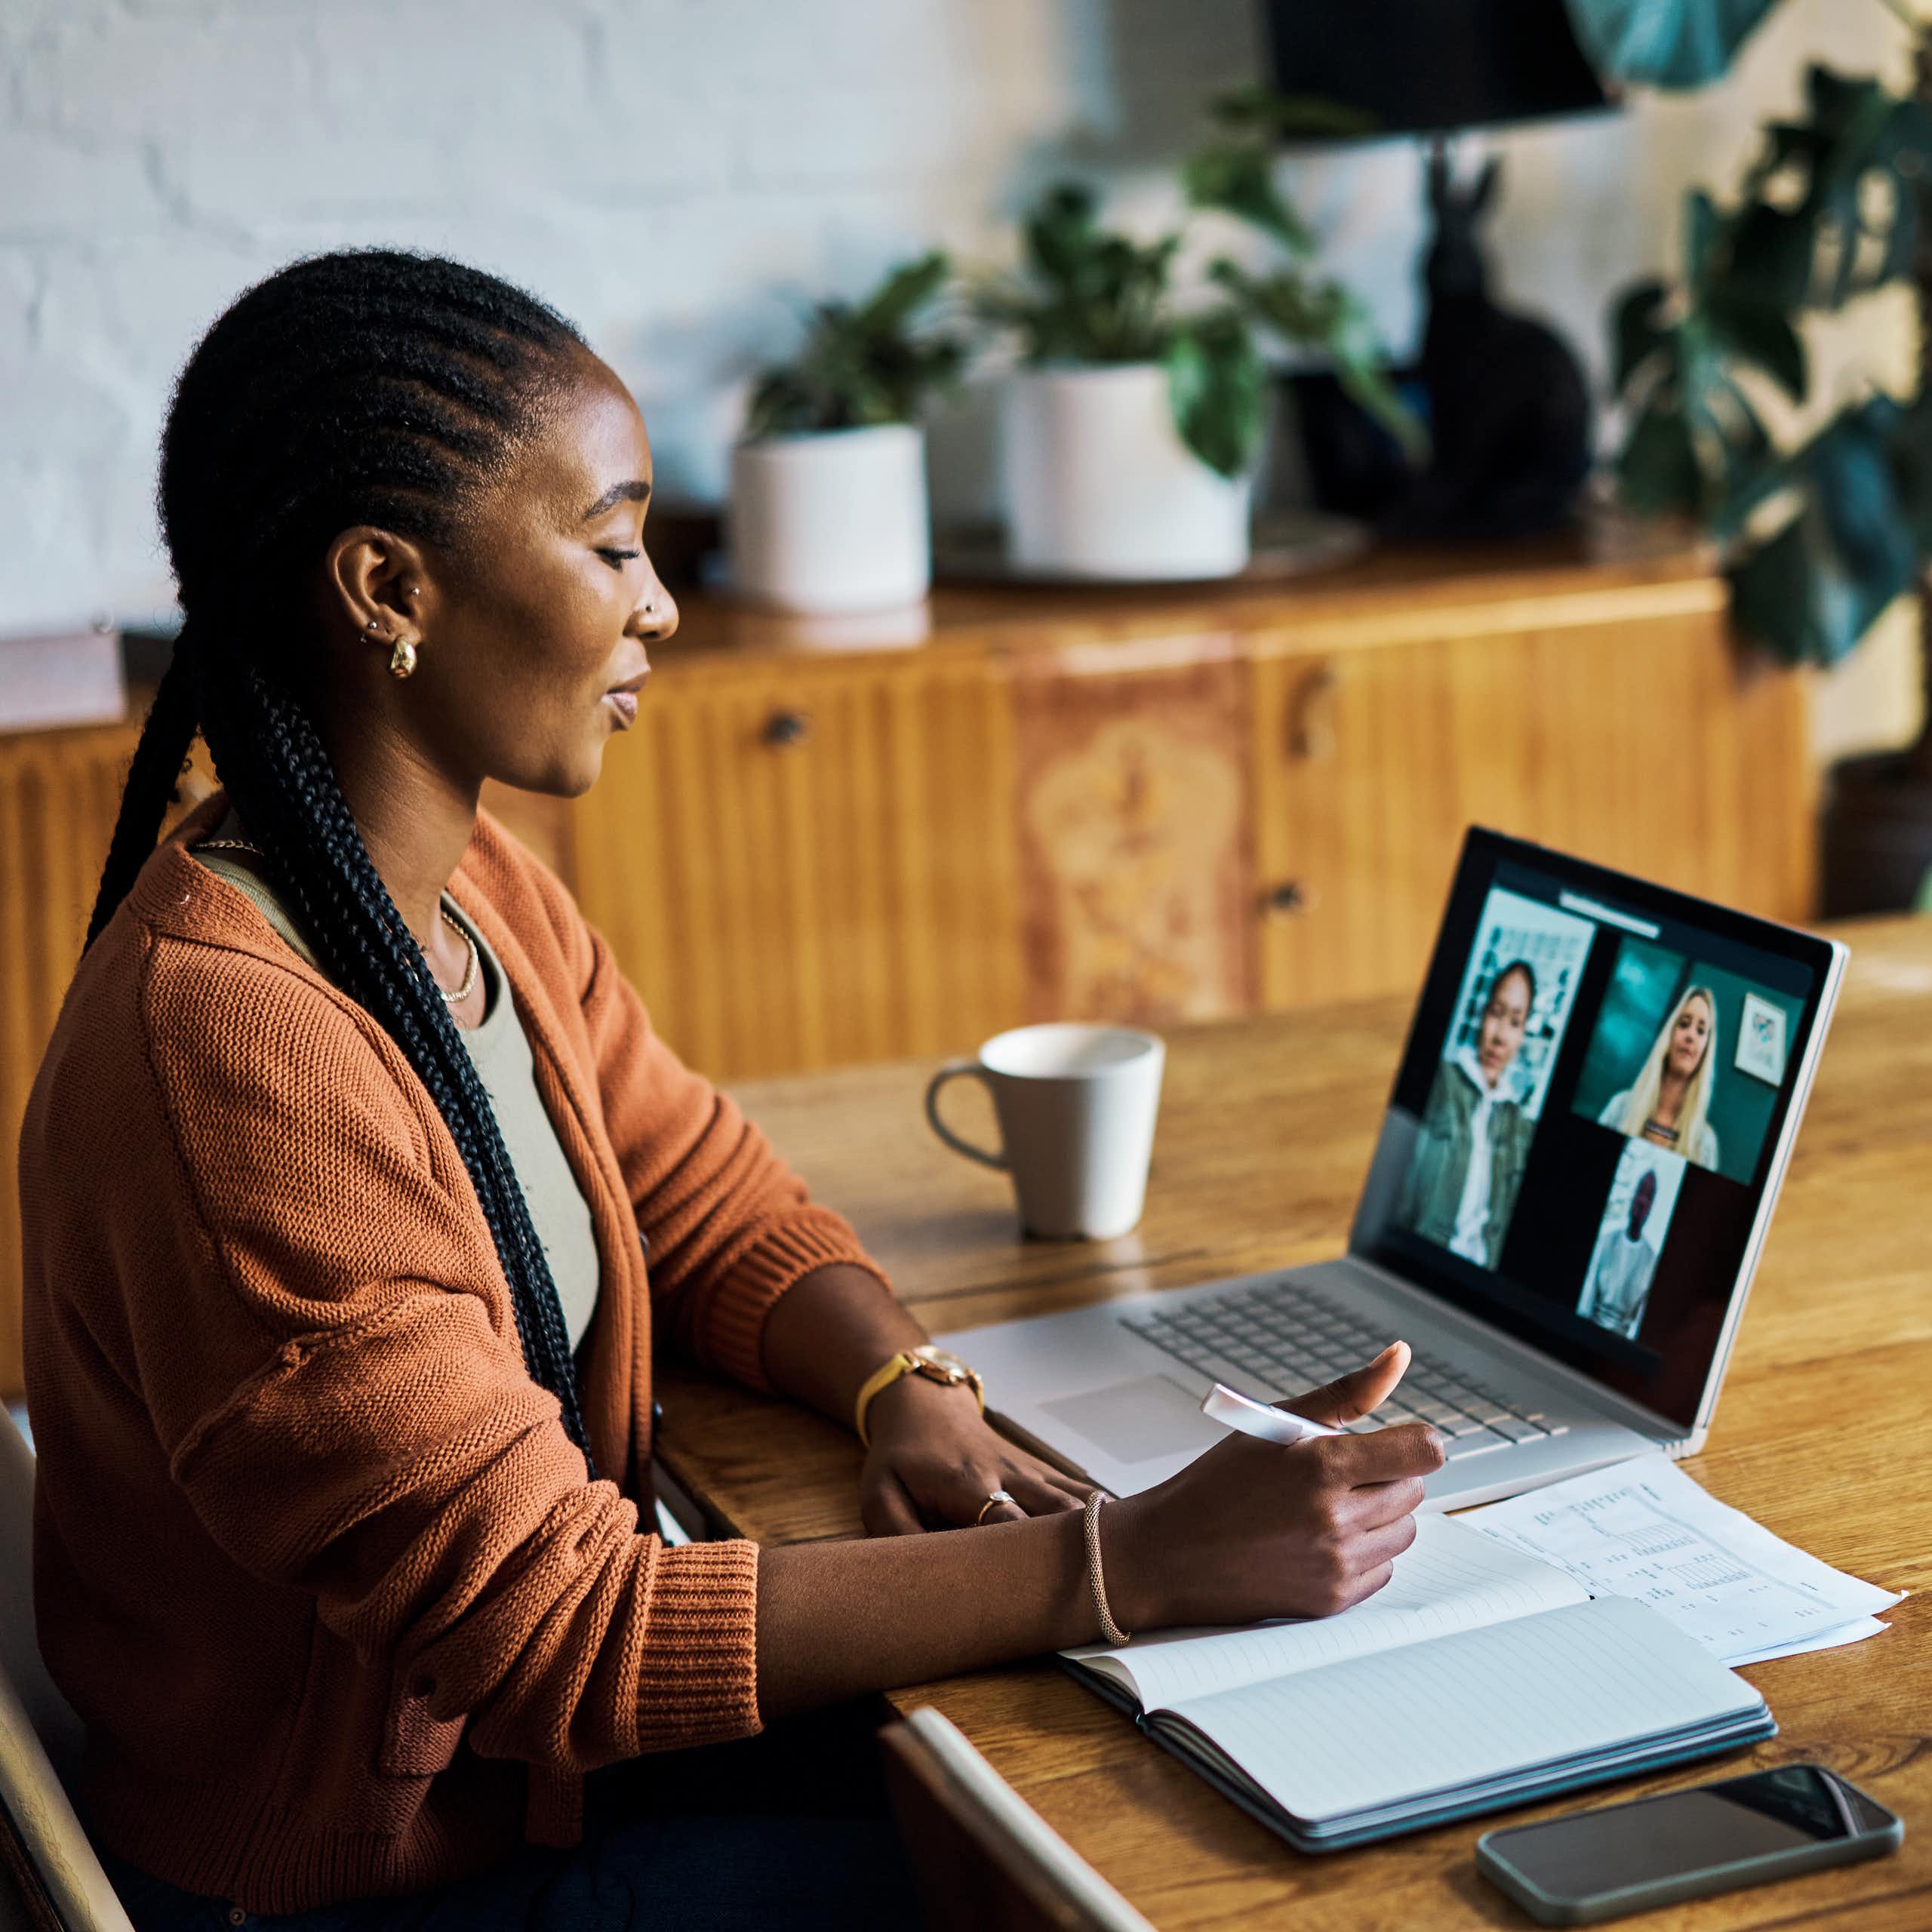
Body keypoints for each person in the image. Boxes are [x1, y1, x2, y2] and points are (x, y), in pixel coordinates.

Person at [17, 251, 1444, 1930]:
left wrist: (901, 1382)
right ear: (387, 588)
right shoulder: (236, 1052)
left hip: (520, 1784)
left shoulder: (456, 886)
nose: (659, 602)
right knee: (1058, 1861)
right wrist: (1129, 1563)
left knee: (1039, 1766)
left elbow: (697, 1186)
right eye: (613, 541)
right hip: (372, 1876)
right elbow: (558, 1635)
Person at [1395, 957, 1539, 1269]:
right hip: (1419, 1265)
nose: (1500, 1036)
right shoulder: (1440, 1081)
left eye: (1514, 1022)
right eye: (1496, 1014)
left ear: (1524, 1033)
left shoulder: (1519, 1124)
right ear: (1482, 1014)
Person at [1598, 985, 1721, 1172]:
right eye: (1684, 1024)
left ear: (1706, 1049)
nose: (1691, 1036)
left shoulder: (1705, 1143)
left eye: (1701, 1030)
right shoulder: (1620, 1106)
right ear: (1669, 1033)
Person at [1577, 1166, 1663, 1339]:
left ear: (1652, 1206)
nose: (1642, 1202)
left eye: (1649, 1196)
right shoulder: (1606, 1241)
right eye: (1640, 1192)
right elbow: (1586, 1299)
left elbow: (1641, 1322)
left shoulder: (1652, 1262)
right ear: (1633, 1197)